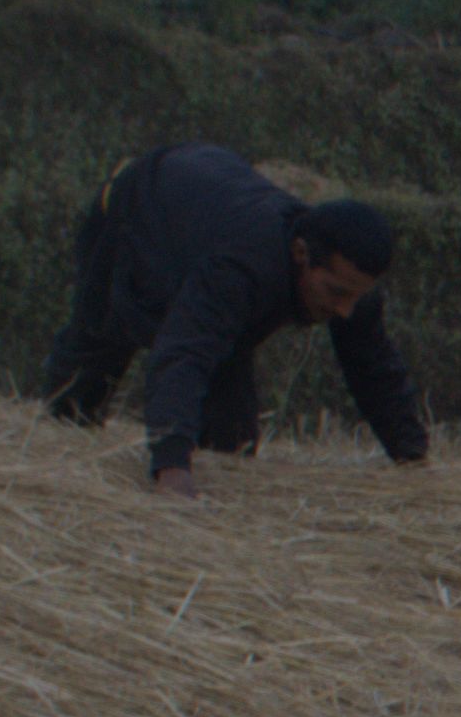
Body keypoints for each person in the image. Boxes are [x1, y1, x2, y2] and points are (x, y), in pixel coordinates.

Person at [39, 143, 426, 496]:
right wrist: (171, 469)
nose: (343, 311)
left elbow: (373, 366)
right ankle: (60, 432)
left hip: (212, 210)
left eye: (354, 297)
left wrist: (413, 460)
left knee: (231, 445)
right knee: (96, 356)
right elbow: (184, 354)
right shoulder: (242, 268)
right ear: (300, 254)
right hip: (141, 199)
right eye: (335, 293)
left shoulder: (351, 284)